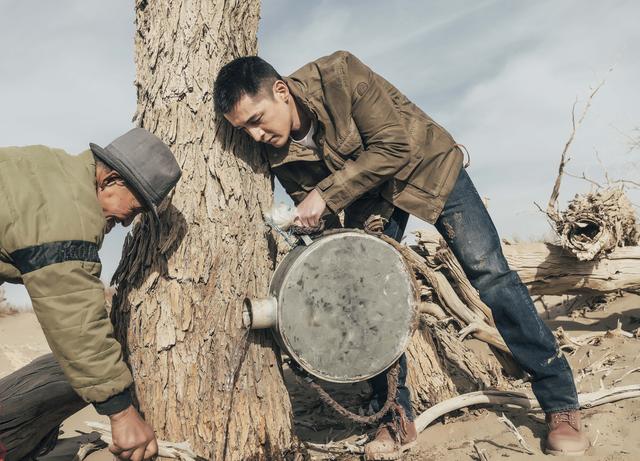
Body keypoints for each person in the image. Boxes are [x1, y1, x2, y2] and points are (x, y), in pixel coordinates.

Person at [213, 51, 590, 459]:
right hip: (369, 204)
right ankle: (394, 418)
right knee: (365, 297)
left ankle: (560, 404)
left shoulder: (340, 73)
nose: (254, 136)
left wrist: (325, 195)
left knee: (492, 277)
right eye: (243, 130)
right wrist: (313, 226)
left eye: (256, 120)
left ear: (281, 92)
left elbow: (394, 146)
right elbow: (312, 204)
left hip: (430, 170)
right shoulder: (274, 151)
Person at [0, 128, 181, 460]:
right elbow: (74, 317)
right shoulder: (69, 211)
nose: (128, 223)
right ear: (111, 180)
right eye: (137, 207)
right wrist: (121, 412)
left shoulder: (46, 172)